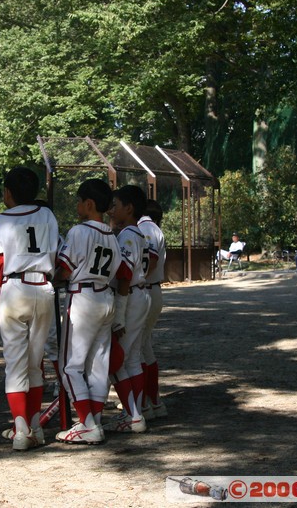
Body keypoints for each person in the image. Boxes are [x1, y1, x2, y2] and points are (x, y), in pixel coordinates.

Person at [0, 167, 59, 451]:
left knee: (15, 365)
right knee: (35, 364)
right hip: (43, 287)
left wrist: (0, 292)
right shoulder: (47, 215)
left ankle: (21, 429)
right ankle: (35, 426)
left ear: (7, 193)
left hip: (14, 288)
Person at [53, 179, 121, 445]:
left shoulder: (79, 232)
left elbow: (66, 270)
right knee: (97, 365)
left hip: (83, 297)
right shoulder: (111, 235)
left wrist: (54, 278)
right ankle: (94, 422)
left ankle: (86, 424)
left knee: (69, 365)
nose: (77, 205)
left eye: (80, 200)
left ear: (89, 204)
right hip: (106, 296)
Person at [104, 184, 150, 434]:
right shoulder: (137, 233)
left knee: (118, 360)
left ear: (129, 208)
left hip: (129, 296)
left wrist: (119, 316)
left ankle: (132, 415)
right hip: (139, 294)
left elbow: (124, 275)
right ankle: (135, 413)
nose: (111, 210)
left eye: (115, 205)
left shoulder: (128, 235)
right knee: (132, 359)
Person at [137, 199, 167, 419]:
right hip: (152, 289)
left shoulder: (144, 228)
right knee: (145, 345)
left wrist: (138, 279)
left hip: (146, 289)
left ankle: (146, 403)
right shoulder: (153, 227)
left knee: (137, 348)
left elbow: (151, 258)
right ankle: (153, 401)